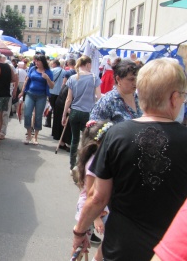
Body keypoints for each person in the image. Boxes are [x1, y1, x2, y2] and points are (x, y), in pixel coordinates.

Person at [72, 58, 187, 261]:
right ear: (174, 98)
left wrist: (80, 231)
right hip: (170, 250)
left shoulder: (117, 134)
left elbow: (98, 197)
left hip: (121, 246)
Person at [75, 120, 112, 261]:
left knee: (108, 239)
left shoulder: (99, 159)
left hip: (99, 208)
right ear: (99, 142)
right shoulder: (93, 163)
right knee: (82, 243)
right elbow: (91, 193)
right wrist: (96, 218)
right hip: (90, 209)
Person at [62, 55, 101, 171]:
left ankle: (72, 165)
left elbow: (69, 99)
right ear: (88, 64)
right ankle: (82, 166)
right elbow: (99, 97)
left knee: (74, 139)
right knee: (87, 140)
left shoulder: (73, 78)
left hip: (74, 111)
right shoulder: (94, 78)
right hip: (88, 113)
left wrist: (64, 114)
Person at [90, 58, 142, 124]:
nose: (135, 83)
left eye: (136, 79)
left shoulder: (139, 98)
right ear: (118, 79)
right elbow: (94, 131)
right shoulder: (107, 101)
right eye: (131, 79)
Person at [19, 55, 54, 145]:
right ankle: (29, 135)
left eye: (38, 61)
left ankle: (35, 137)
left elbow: (52, 86)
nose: (36, 63)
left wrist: (47, 78)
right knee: (27, 114)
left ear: (43, 62)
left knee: (38, 116)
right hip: (30, 94)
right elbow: (27, 80)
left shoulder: (48, 72)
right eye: (36, 61)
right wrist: (22, 91)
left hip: (41, 96)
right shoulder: (32, 69)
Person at [46, 59, 65, 128]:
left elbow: (48, 80)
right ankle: (56, 125)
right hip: (60, 93)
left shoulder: (52, 71)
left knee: (50, 107)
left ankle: (48, 122)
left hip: (52, 91)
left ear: (54, 64)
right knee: (57, 110)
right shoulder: (64, 71)